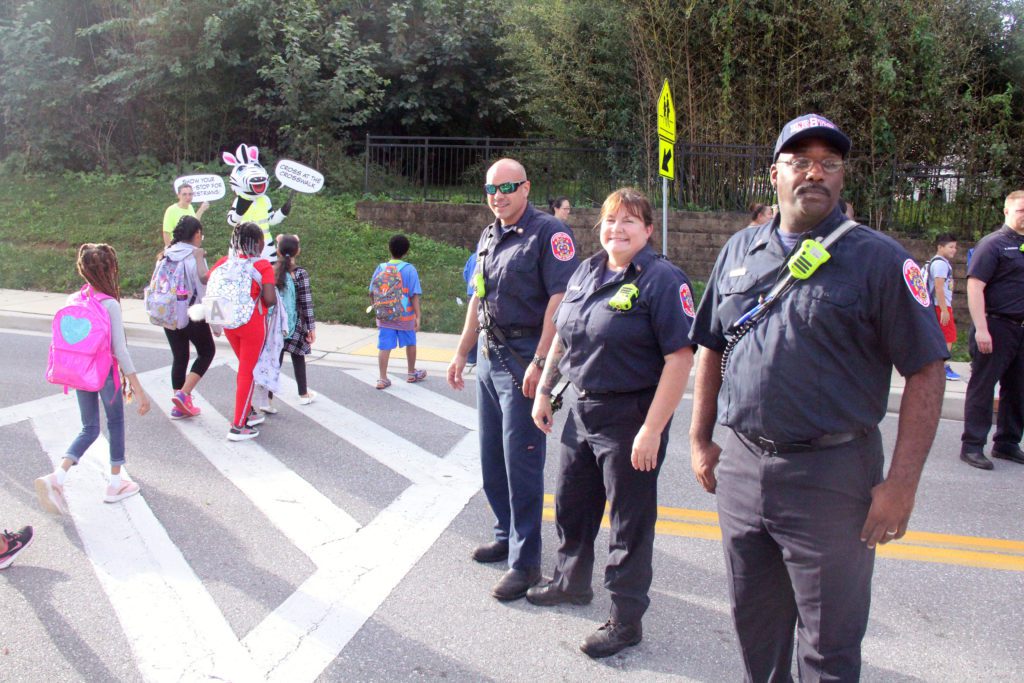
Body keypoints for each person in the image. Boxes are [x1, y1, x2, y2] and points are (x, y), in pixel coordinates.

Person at [688, 114, 947, 681]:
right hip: (743, 467)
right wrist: (700, 438)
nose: (815, 173)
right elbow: (710, 345)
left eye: (829, 164)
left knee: (829, 644)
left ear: (842, 177)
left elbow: (927, 369)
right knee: (755, 625)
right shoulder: (739, 250)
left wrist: (902, 485)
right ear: (774, 174)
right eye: (800, 162)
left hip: (834, 477)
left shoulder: (879, 260)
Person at [528, 188, 695, 658]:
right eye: (610, 220)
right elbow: (564, 333)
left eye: (629, 221)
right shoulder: (587, 270)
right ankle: (570, 582)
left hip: (630, 418)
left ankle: (625, 620)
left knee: (628, 523)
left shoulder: (662, 280)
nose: (617, 229)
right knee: (573, 504)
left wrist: (653, 429)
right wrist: (546, 390)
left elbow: (680, 359)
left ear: (648, 230)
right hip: (581, 409)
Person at [447, 158, 578, 601]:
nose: (498, 195)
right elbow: (477, 299)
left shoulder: (549, 234)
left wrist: (541, 361)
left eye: (507, 186)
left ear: (526, 188)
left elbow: (559, 300)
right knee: (492, 458)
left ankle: (525, 564)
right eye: (491, 188)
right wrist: (462, 352)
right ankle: (504, 534)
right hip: (488, 355)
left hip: (524, 358)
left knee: (521, 462)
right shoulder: (488, 236)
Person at [36, 244, 153, 514]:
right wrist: (139, 390)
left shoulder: (73, 299)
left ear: (83, 269)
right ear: (111, 270)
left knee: (88, 428)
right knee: (115, 422)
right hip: (105, 373)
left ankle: (57, 477)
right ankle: (115, 483)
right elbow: (120, 350)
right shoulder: (109, 304)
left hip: (79, 372)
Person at [959, 190, 1024, 470]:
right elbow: (975, 286)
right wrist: (982, 329)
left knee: (1018, 388)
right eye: (1021, 210)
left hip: (1020, 329)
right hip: (995, 324)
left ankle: (1007, 443)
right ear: (1007, 212)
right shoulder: (993, 244)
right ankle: (972, 445)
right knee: (983, 387)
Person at [208, 222, 276, 441]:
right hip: (253, 325)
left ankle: (248, 411)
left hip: (230, 324)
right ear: (258, 243)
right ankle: (238, 425)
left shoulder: (224, 262)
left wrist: (215, 321)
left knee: (245, 368)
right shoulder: (263, 266)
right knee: (247, 371)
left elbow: (211, 285)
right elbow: (269, 299)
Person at [162, 216, 215, 418]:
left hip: (168, 312)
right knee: (207, 351)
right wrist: (216, 323)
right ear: (197, 234)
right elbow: (206, 289)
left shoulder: (166, 254)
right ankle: (184, 395)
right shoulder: (195, 257)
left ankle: (179, 404)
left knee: (180, 356)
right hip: (192, 313)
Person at [266, 233, 317, 409]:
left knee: (275, 360)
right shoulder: (300, 274)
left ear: (278, 251)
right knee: (298, 357)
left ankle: (268, 398)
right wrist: (311, 327)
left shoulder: (271, 269)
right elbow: (306, 302)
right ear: (298, 251)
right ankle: (303, 394)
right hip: (296, 324)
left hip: (275, 325)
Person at [370, 234, 425, 390]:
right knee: (411, 343)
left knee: (384, 346)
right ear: (406, 251)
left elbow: (371, 292)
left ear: (390, 249)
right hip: (405, 316)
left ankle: (382, 378)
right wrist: (418, 316)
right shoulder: (409, 270)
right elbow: (414, 296)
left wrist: (378, 309)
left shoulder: (381, 268)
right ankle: (411, 372)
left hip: (385, 316)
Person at [926, 233, 961, 381]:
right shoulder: (940, 264)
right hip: (941, 306)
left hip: (940, 306)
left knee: (941, 336)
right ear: (940, 247)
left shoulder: (939, 262)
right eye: (950, 247)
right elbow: (939, 288)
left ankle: (936, 365)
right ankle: (943, 367)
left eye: (955, 247)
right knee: (948, 336)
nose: (954, 250)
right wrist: (944, 309)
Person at [461, 251, 478, 365]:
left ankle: (471, 357)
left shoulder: (473, 257)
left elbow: (465, 274)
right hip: (482, 294)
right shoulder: (492, 253)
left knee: (472, 324)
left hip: (471, 293)